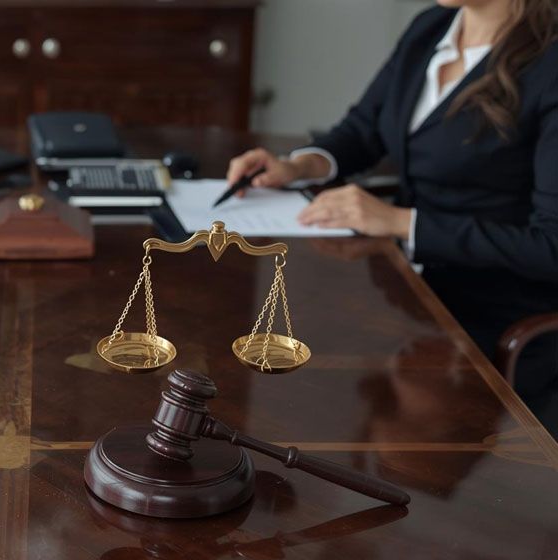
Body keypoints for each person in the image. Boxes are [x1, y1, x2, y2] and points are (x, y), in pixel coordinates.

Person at [226, 0, 558, 431]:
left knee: (295, 388)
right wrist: (298, 167)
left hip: (485, 311)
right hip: (405, 287)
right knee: (263, 359)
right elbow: (365, 127)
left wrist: (402, 221)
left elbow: (551, 246)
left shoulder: (549, 64)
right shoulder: (433, 26)